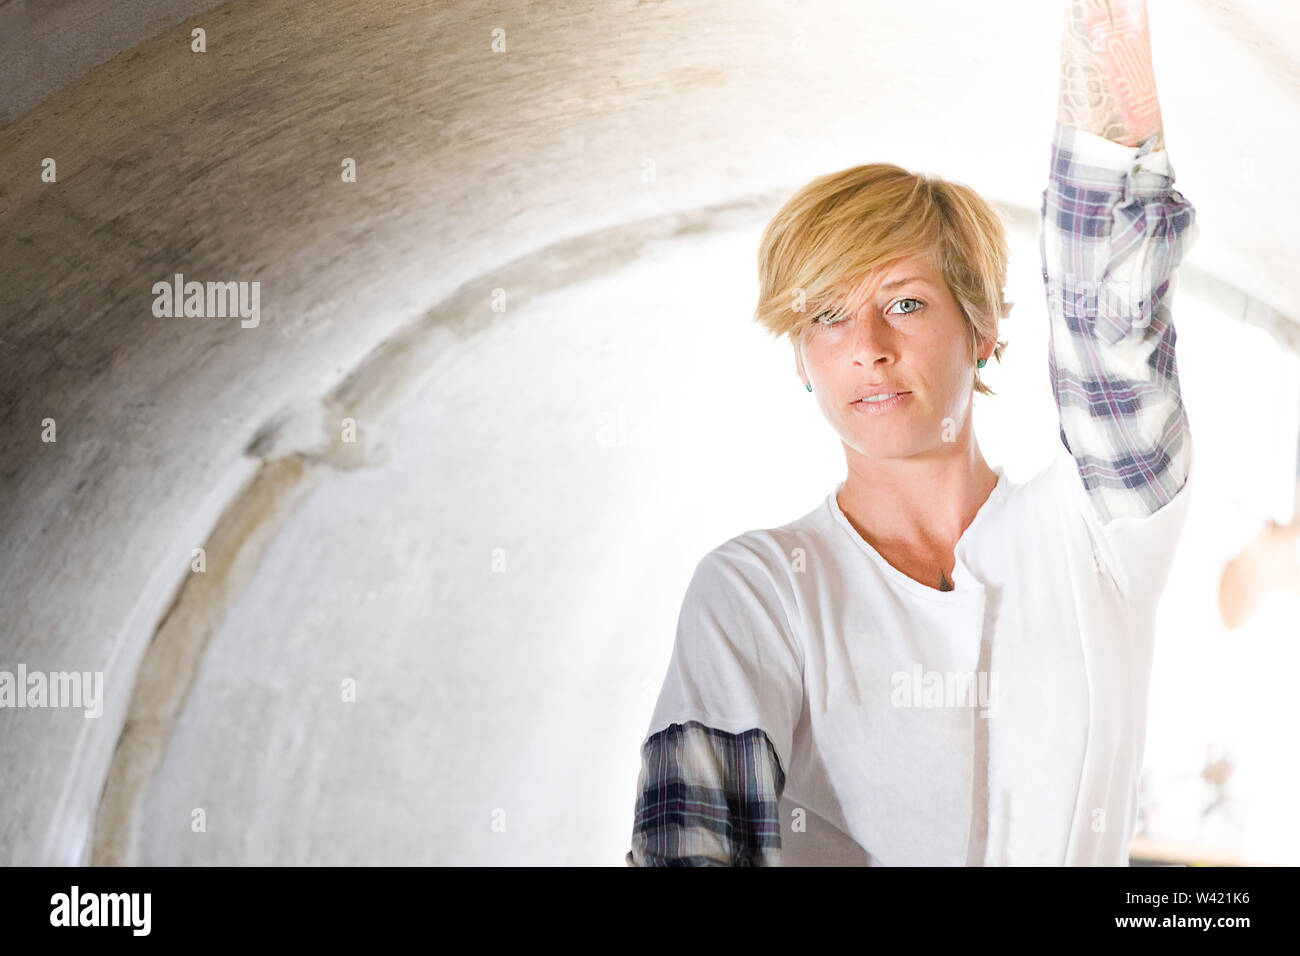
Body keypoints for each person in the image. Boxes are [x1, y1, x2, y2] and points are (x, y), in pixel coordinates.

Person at [627, 0, 1200, 865]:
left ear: (982, 332)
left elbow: (1110, 309)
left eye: (905, 303)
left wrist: (1104, 22)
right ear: (800, 359)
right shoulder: (757, 590)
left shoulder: (1096, 532)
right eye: (827, 317)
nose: (867, 349)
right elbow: (694, 845)